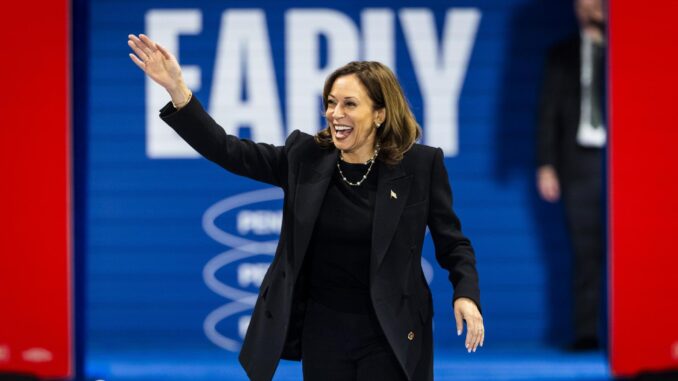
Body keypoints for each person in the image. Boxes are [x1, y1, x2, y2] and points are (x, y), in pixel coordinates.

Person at [128, 33, 484, 381]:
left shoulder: (420, 166)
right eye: (330, 102)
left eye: (349, 104)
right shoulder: (306, 156)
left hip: (392, 329)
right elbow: (227, 150)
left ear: (379, 114)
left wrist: (465, 294)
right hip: (324, 330)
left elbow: (453, 243)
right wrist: (178, 91)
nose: (335, 113)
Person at [536, 0, 606, 351]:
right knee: (584, 251)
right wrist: (546, 164)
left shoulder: (628, 48)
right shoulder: (561, 53)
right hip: (578, 162)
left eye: (596, 1)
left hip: (624, 163)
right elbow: (547, 112)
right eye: (583, 3)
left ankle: (634, 330)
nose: (589, 8)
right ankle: (587, 332)